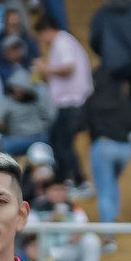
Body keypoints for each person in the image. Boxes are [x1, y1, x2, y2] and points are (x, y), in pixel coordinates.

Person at [35, 19, 93, 193]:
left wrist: (46, 69)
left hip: (72, 102)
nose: (42, 40)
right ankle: (70, 178)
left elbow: (69, 69)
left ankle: (76, 180)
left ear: (47, 30)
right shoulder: (63, 43)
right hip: (69, 102)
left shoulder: (62, 41)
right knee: (59, 141)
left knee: (62, 143)